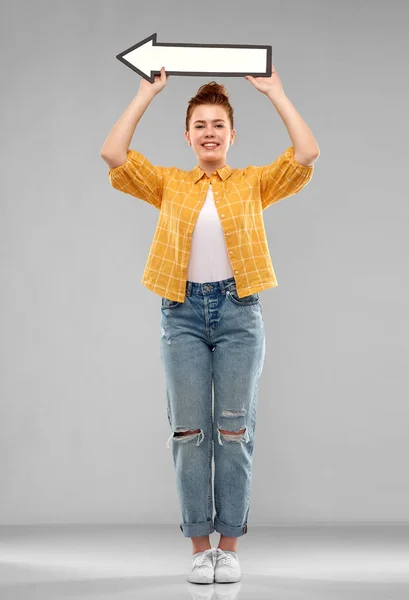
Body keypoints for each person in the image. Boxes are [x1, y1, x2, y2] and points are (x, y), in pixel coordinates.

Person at [101, 66, 319, 584]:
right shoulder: (170, 184)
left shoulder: (251, 183)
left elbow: (307, 153)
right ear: (188, 135)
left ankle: (230, 545)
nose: (209, 132)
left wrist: (277, 92)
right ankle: (201, 548)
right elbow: (113, 155)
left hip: (240, 314)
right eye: (200, 125)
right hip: (182, 317)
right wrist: (145, 93)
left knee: (234, 431)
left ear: (232, 133)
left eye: (218, 124)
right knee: (188, 432)